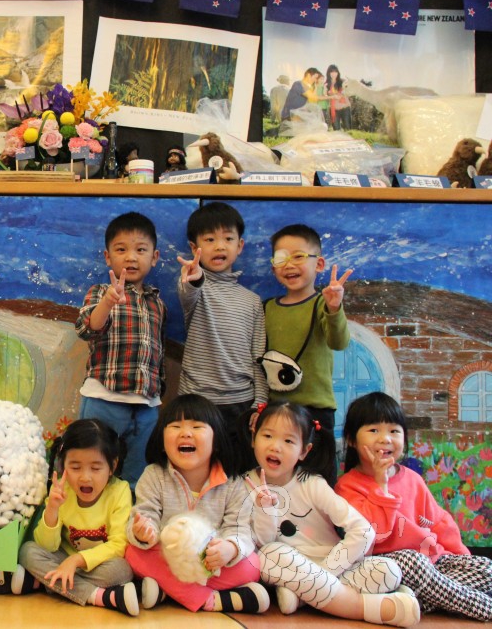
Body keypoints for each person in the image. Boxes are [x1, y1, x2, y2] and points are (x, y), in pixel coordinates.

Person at [241, 401, 419, 627]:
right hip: (285, 564)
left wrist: (323, 574)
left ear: (304, 451)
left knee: (389, 571)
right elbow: (262, 542)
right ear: (254, 438)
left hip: (333, 565)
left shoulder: (311, 483)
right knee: (266, 555)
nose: (276, 447)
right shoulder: (244, 485)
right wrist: (267, 509)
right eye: (268, 436)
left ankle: (303, 597)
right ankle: (366, 608)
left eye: (288, 441)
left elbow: (363, 531)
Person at [335, 393, 492, 622]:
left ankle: (422, 600)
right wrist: (380, 485)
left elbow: (439, 522)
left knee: (486, 569)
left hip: (434, 563)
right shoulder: (347, 486)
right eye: (374, 430)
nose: (385, 439)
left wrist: (461, 558)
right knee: (414, 562)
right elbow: (374, 534)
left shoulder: (412, 479)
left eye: (394, 431)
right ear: (351, 440)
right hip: (391, 566)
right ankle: (482, 605)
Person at [125, 394, 267, 614]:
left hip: (211, 564)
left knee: (253, 565)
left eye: (197, 426)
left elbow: (239, 529)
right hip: (168, 558)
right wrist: (145, 532)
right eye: (175, 426)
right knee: (132, 554)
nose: (186, 433)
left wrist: (230, 548)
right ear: (162, 441)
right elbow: (144, 514)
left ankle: (168, 591)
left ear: (216, 442)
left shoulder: (233, 484)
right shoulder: (153, 475)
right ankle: (210, 600)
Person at [75, 212, 166, 489]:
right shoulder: (100, 291)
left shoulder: (157, 302)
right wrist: (107, 302)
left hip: (146, 404)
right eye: (121, 249)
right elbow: (87, 329)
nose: (131, 257)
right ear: (107, 257)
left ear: (154, 257)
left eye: (141, 250)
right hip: (105, 397)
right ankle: (88, 511)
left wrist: (157, 392)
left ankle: (130, 512)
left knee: (138, 474)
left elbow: (158, 352)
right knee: (93, 463)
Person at [12, 419, 139, 617]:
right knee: (28, 551)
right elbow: (47, 546)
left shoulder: (119, 491)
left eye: (95, 468)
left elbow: (118, 545)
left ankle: (42, 582)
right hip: (62, 558)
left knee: (123, 570)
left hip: (97, 565)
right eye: (75, 467)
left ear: (112, 466)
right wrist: (52, 509)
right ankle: (98, 596)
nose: (85, 477)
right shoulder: (62, 490)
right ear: (63, 465)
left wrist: (76, 561)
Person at [176, 202, 266, 464]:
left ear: (240, 246)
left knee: (238, 471)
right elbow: (188, 291)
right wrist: (193, 277)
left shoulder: (252, 301)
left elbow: (258, 357)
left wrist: (260, 403)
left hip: (242, 403)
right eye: (209, 239)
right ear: (194, 247)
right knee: (197, 469)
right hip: (197, 401)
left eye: (228, 238)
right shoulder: (195, 286)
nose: (219, 246)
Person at [265, 224, 352, 434]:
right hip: (276, 408)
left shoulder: (323, 304)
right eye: (281, 259)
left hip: (317, 408)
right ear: (273, 268)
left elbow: (339, 343)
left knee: (317, 456)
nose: (289, 265)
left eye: (298, 256)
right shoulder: (266, 308)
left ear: (319, 264)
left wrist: (334, 308)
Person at [323, 64, 352, 131]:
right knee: (336, 129)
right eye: (332, 72)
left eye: (335, 72)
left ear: (338, 73)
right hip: (334, 110)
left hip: (345, 108)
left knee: (348, 128)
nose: (334, 74)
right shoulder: (326, 84)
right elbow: (325, 96)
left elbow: (349, 92)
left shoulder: (342, 81)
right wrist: (330, 95)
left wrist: (341, 94)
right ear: (329, 73)